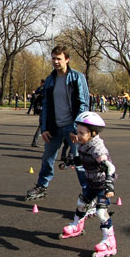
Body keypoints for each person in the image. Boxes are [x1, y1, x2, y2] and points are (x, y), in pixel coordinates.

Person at [25, 45, 89, 201]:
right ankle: (42, 186)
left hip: (72, 127)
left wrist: (77, 129)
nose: (56, 62)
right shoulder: (50, 80)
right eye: (53, 58)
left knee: (79, 161)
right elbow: (46, 105)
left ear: (67, 59)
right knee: (47, 158)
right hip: (54, 126)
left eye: (59, 58)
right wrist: (45, 128)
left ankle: (88, 194)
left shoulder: (77, 77)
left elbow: (83, 104)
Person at [58, 112, 117, 257]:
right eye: (77, 132)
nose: (77, 136)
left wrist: (109, 184)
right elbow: (82, 160)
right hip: (92, 182)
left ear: (93, 133)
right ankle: (77, 226)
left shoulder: (97, 149)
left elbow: (110, 167)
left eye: (81, 133)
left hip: (103, 183)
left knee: (101, 212)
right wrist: (70, 163)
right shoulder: (83, 144)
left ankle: (110, 242)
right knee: (81, 204)